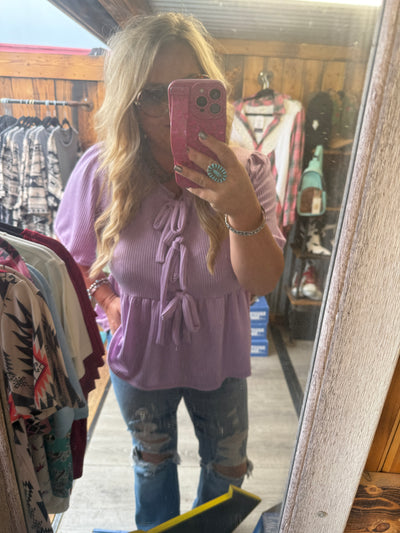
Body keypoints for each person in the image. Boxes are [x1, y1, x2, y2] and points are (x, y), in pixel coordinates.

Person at [55, 12, 285, 531]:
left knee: (228, 467)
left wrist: (240, 207)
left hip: (220, 351)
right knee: (152, 461)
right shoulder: (102, 172)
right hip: (139, 348)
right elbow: (74, 261)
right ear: (129, 100)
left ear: (212, 90)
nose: (170, 110)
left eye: (187, 89)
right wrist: (108, 300)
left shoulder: (245, 171)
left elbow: (261, 282)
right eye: (153, 95)